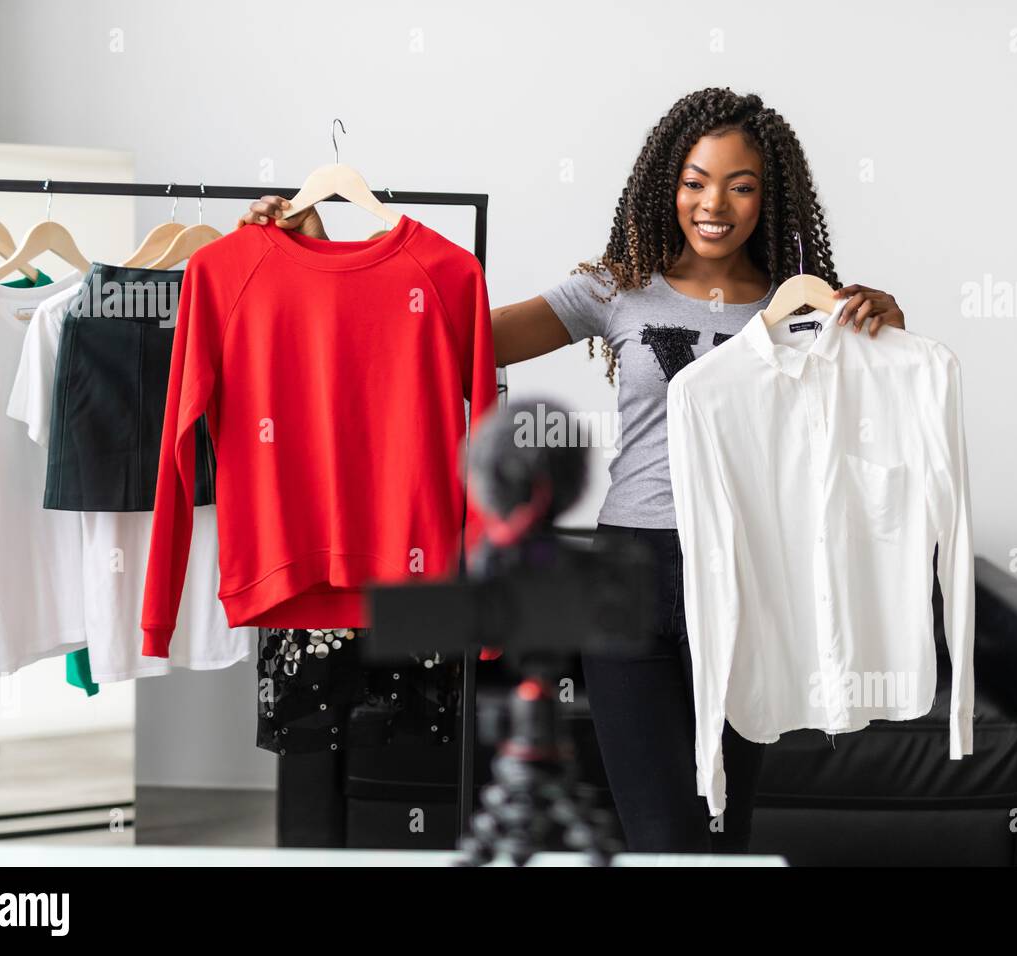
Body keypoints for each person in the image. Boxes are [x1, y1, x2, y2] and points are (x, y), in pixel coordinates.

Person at [237, 87, 910, 853]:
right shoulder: (615, 287)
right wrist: (319, 253)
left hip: (753, 578)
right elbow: (440, 347)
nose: (713, 202)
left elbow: (878, 420)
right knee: (663, 836)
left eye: (740, 184)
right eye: (694, 180)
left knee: (725, 836)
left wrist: (887, 317)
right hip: (634, 576)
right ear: (668, 185)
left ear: (771, 195)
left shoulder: (809, 311)